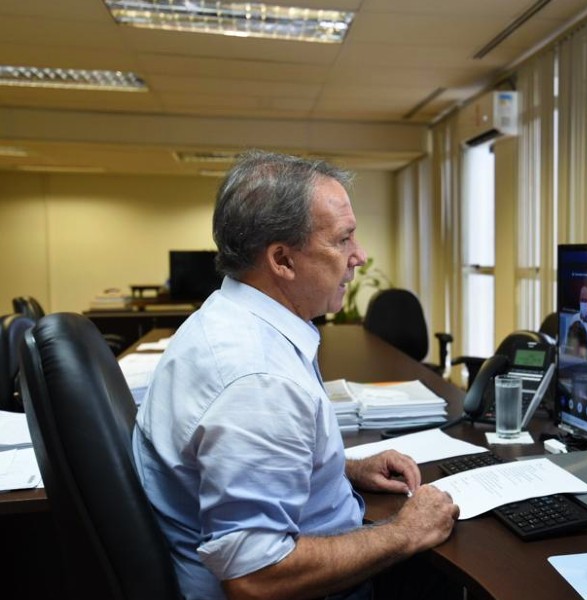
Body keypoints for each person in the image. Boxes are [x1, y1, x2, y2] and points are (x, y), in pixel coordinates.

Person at [132, 151, 460, 600]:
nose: (359, 256)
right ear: (282, 260)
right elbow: (255, 575)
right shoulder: (258, 379)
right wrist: (405, 532)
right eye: (343, 240)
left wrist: (339, 469)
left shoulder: (231, 318)